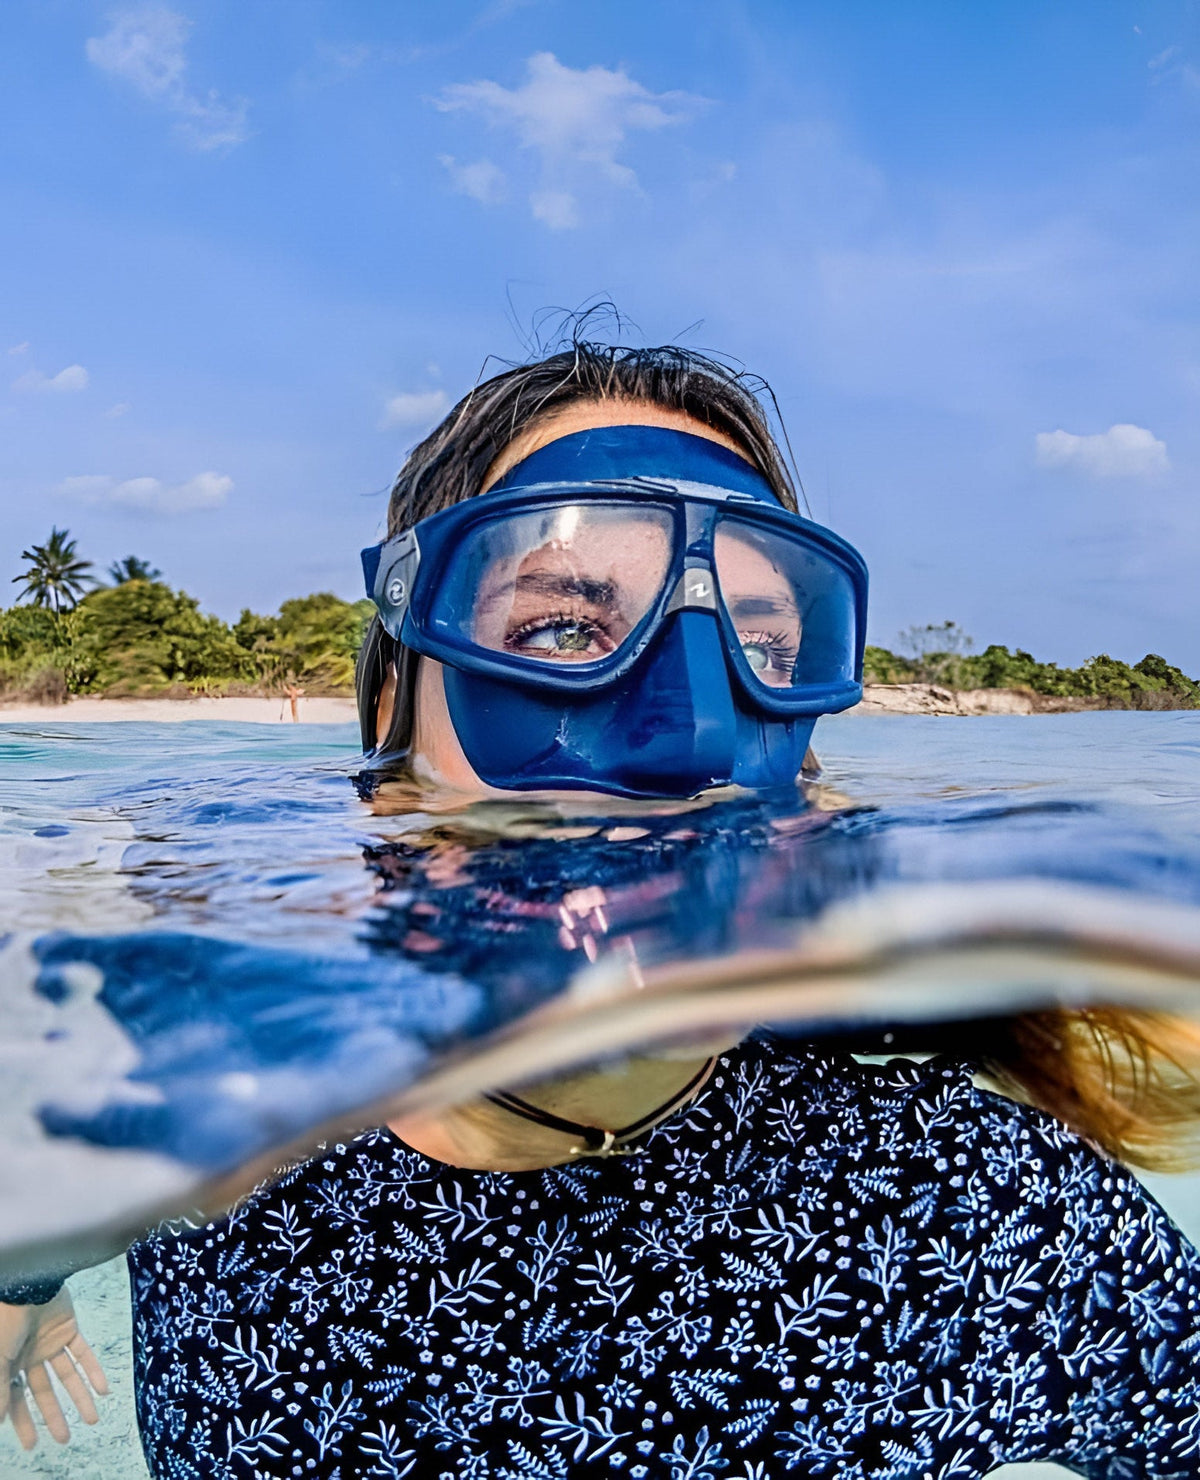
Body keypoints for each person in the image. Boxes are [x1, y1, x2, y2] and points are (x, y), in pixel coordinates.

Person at [5, 340, 1200, 1479]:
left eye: (768, 653)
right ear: (390, 728)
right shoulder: (199, 1061)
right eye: (562, 627)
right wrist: (26, 1296)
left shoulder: (967, 1214)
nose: (696, 736)